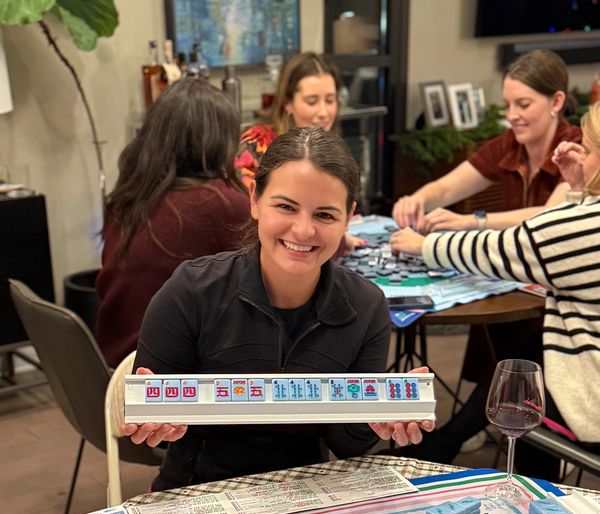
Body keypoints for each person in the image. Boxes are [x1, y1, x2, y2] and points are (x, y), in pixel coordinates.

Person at [124, 128, 434, 490]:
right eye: (286, 207)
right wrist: (152, 422)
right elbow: (152, 421)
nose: (303, 231)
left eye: (325, 215)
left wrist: (379, 418)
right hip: (197, 486)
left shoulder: (366, 306)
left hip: (308, 488)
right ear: (255, 199)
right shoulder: (191, 291)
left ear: (349, 217)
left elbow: (348, 444)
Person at [390, 103, 600, 479]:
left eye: (588, 149)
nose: (582, 157)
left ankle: (535, 493)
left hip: (592, 394)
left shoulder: (587, 225)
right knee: (523, 358)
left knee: (520, 390)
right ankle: (449, 442)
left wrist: (423, 246)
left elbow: (503, 249)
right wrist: (578, 189)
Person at [96, 78, 249, 368]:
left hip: (117, 366)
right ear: (219, 142)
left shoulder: (127, 198)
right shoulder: (220, 203)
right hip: (165, 376)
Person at [392, 49, 581, 234]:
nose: (511, 115)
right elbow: (446, 188)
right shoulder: (510, 143)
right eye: (507, 105)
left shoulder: (578, 147)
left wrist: (472, 221)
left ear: (556, 102)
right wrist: (417, 200)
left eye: (523, 105)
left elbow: (550, 217)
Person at [235, 52, 340, 189]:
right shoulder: (256, 145)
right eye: (312, 102)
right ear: (288, 103)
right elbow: (242, 197)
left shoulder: (335, 153)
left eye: (330, 100)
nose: (323, 113)